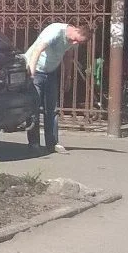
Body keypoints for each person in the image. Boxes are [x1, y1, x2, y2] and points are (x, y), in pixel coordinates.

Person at [23, 21, 89, 155]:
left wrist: (68, 77)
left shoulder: (73, 41)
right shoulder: (56, 31)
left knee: (52, 109)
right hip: (36, 71)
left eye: (78, 42)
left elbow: (68, 56)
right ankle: (34, 144)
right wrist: (32, 74)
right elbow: (37, 50)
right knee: (34, 108)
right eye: (75, 40)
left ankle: (52, 143)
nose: (74, 43)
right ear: (76, 30)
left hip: (51, 72)